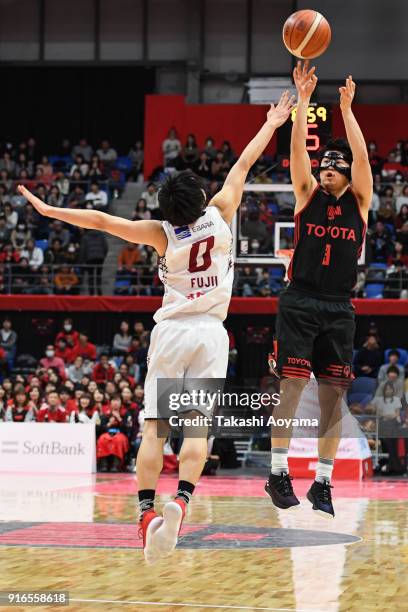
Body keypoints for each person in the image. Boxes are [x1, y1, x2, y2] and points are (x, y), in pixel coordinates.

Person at [16, 90, 295, 562]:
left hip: (171, 333)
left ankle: (146, 515)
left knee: (155, 430)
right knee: (197, 431)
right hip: (210, 334)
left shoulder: (159, 234)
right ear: (200, 199)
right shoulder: (223, 213)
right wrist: (272, 123)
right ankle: (181, 502)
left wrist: (50, 211)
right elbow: (244, 164)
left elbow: (102, 221)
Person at [266, 62, 373, 519]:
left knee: (333, 394)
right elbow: (296, 155)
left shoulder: (360, 201)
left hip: (338, 306)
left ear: (347, 175)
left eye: (335, 166)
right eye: (324, 166)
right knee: (291, 386)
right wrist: (304, 103)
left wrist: (348, 111)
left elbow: (364, 159)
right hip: (299, 299)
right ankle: (277, 472)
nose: (327, 170)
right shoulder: (307, 193)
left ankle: (324, 482)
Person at [79, 228, 108, 295]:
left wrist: (82, 260)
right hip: (100, 258)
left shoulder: (85, 237)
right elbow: (105, 247)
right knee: (98, 275)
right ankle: (99, 292)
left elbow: (83, 250)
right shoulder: (101, 235)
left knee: (91, 276)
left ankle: (91, 293)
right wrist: (103, 256)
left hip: (89, 258)